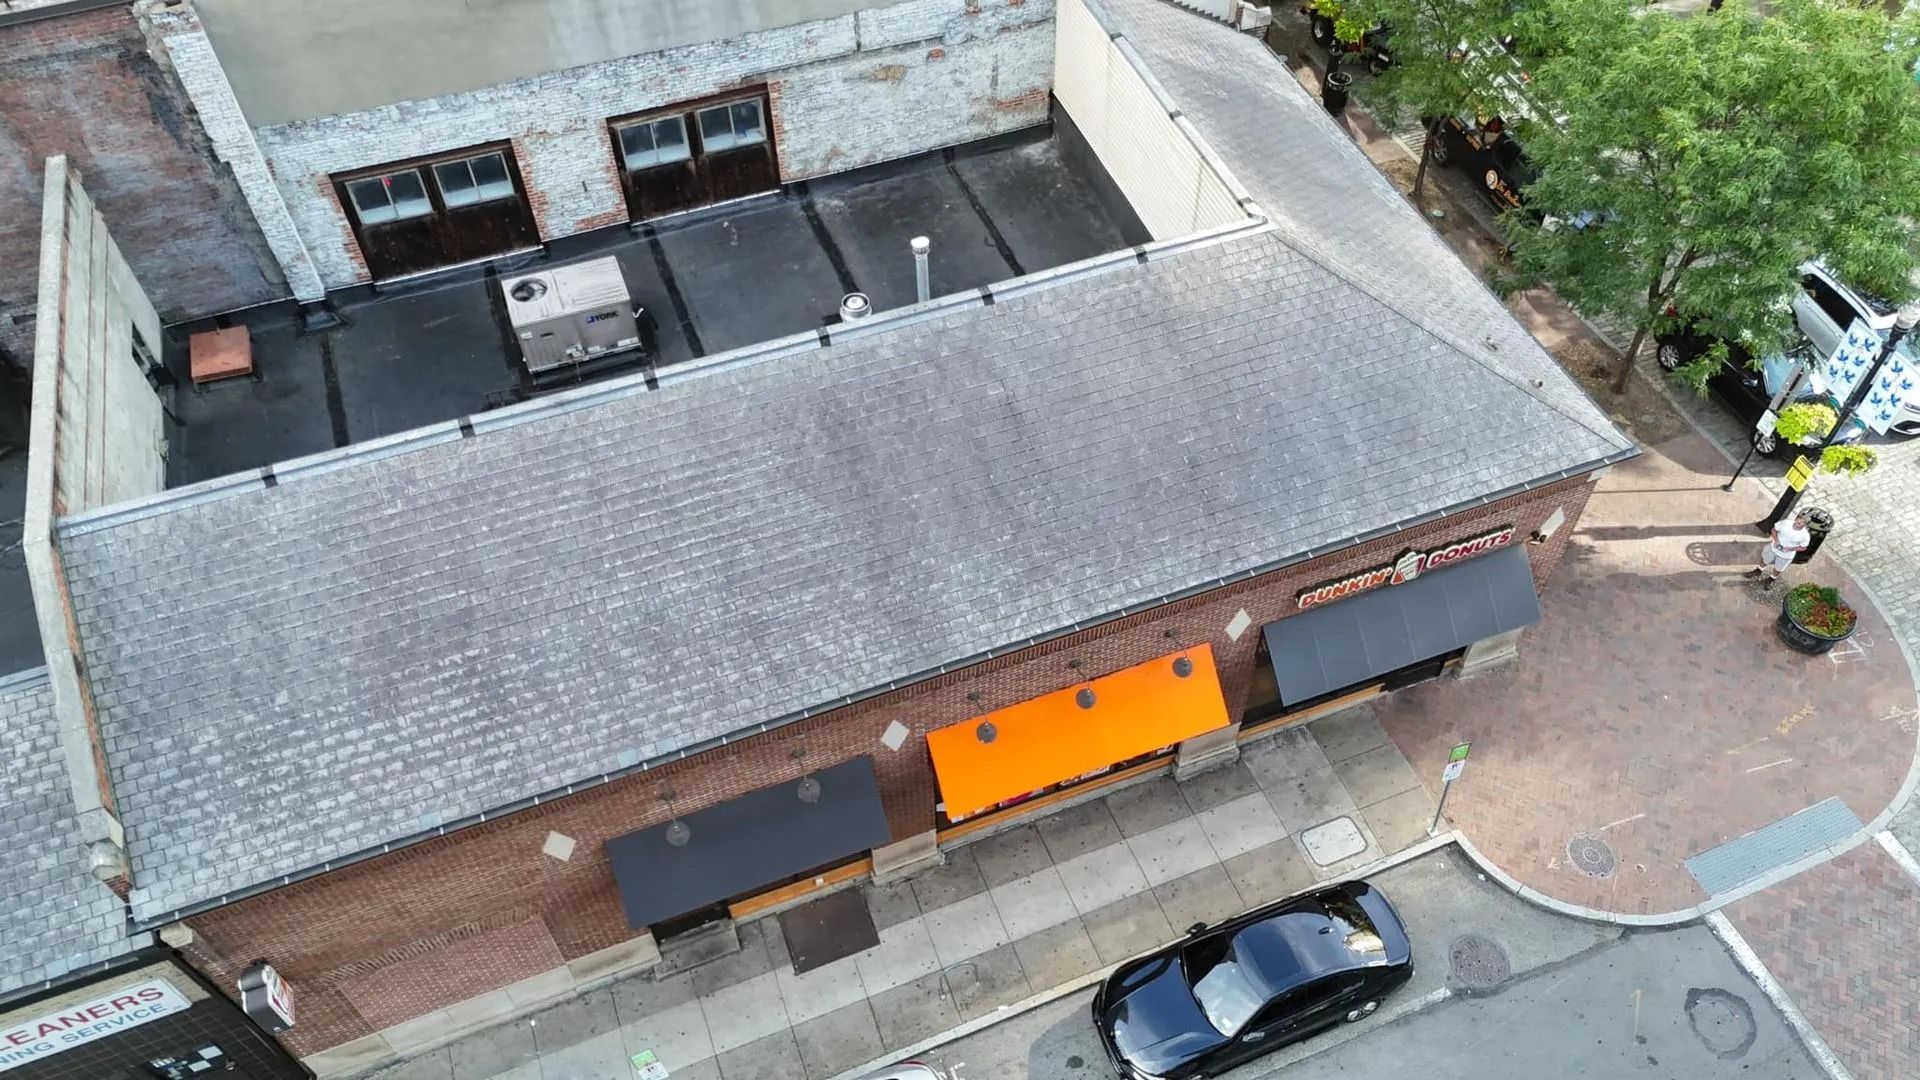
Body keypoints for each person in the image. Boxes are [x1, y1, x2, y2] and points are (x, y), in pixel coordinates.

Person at [1746, 510, 1812, 588]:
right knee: (1765, 559)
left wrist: (1790, 549)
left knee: (1779, 568)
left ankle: (1771, 579)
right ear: (1796, 518)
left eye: (1803, 522)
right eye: (1800, 519)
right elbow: (1774, 530)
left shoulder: (1805, 536)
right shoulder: (1786, 523)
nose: (1800, 522)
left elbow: (1803, 547)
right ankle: (1758, 570)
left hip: (1786, 555)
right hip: (1773, 547)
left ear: (1805, 525)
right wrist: (1776, 540)